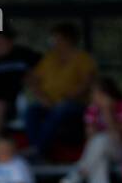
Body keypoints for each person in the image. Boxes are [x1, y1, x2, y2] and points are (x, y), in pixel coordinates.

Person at [59, 77, 122, 183]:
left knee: (102, 140)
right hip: (101, 150)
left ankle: (78, 174)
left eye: (96, 94)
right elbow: (90, 139)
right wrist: (93, 126)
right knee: (100, 153)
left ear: (106, 94)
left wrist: (107, 112)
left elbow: (118, 136)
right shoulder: (93, 109)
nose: (93, 97)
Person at [22, 23, 96, 159]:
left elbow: (87, 83)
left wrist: (69, 96)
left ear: (68, 39)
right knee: (31, 111)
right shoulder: (49, 58)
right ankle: (39, 150)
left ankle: (38, 150)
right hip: (49, 104)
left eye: (56, 38)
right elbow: (33, 80)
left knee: (62, 108)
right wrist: (42, 98)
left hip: (75, 105)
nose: (53, 42)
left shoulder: (82, 58)